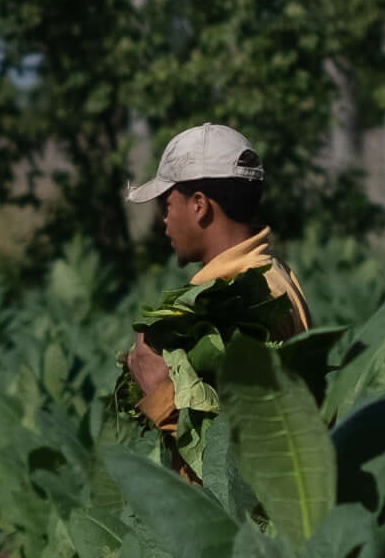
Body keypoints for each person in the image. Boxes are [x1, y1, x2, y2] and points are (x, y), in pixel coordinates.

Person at [118, 124, 314, 434]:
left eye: (167, 205)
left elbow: (234, 449)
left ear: (199, 205)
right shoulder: (275, 271)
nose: (164, 220)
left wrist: (158, 393)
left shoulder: (236, 299)